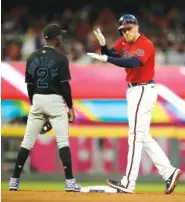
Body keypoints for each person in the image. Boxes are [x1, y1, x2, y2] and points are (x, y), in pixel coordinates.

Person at [87, 14, 181, 194]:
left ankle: (129, 182)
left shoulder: (145, 44)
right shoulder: (123, 43)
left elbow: (132, 62)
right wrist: (104, 46)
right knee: (143, 135)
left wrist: (107, 58)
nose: (126, 32)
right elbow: (112, 55)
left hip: (143, 89)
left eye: (129, 28)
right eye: (123, 30)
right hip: (134, 90)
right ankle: (169, 172)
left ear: (137, 26)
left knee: (135, 135)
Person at [9, 24, 81, 192]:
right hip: (55, 100)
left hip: (37, 98)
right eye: (60, 36)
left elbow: (29, 85)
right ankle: (70, 182)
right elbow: (65, 87)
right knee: (63, 141)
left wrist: (35, 102)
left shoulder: (32, 56)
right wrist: (70, 107)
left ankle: (14, 180)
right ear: (57, 39)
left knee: (27, 141)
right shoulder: (61, 58)